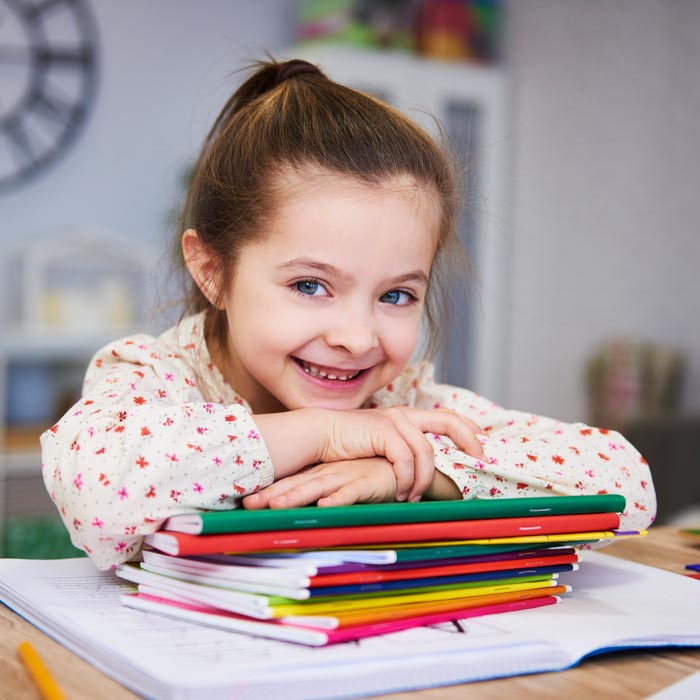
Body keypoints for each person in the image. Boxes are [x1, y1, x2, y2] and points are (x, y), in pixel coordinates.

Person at [41, 58, 656, 571]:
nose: (357, 338)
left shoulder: (404, 406)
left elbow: (628, 487)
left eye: (396, 296)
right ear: (213, 271)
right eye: (311, 285)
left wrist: (420, 471)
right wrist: (326, 435)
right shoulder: (155, 374)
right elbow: (94, 490)